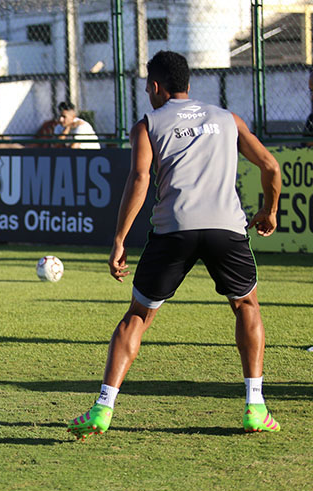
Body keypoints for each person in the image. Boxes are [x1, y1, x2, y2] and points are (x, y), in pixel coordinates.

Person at [67, 50, 282, 439]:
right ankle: (255, 407)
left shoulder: (148, 124)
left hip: (174, 230)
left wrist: (119, 239)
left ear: (155, 86)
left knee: (137, 316)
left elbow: (139, 180)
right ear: (188, 85)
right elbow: (270, 166)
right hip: (226, 229)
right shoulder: (227, 119)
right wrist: (269, 210)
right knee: (246, 305)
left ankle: (102, 408)